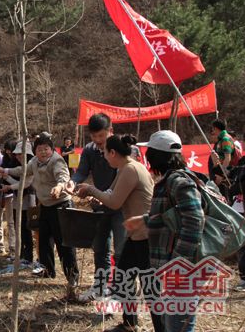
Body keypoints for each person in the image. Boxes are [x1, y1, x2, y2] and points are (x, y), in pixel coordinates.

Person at [76, 135, 164, 332]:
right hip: (135, 234)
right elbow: (110, 193)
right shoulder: (125, 167)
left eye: (105, 153)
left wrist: (91, 190)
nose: (105, 157)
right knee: (123, 277)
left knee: (150, 287)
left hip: (145, 235)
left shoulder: (131, 169)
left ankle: (161, 327)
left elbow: (114, 202)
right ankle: (129, 324)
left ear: (113, 153)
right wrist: (98, 197)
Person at [125, 130, 204, 332]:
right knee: (173, 324)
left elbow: (194, 220)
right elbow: (172, 217)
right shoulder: (169, 181)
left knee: (178, 326)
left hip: (182, 270)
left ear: (155, 156)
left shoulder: (179, 181)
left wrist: (179, 263)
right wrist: (144, 221)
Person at [1, 134, 79, 291]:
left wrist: (59, 187)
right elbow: (23, 171)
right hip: (45, 206)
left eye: (46, 149)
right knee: (43, 242)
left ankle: (72, 277)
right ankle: (48, 270)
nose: (43, 152)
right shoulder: (34, 162)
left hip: (61, 205)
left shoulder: (57, 161)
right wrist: (5, 170)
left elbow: (63, 177)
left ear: (52, 149)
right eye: (40, 149)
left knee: (63, 243)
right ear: (35, 151)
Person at [67, 113, 125, 302]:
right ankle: (100, 287)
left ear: (111, 131)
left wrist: (106, 193)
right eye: (94, 136)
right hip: (99, 206)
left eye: (102, 136)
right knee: (100, 248)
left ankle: (120, 290)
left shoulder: (123, 149)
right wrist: (71, 183)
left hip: (121, 207)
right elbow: (82, 172)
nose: (98, 141)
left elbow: (124, 177)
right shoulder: (90, 151)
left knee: (121, 249)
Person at [0, 140, 35, 263]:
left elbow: (24, 185)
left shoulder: (31, 164)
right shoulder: (21, 165)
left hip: (28, 199)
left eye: (21, 154)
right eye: (17, 154)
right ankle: (22, 255)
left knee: (26, 228)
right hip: (18, 199)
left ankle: (28, 257)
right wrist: (6, 175)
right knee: (19, 228)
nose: (18, 156)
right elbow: (16, 175)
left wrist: (8, 183)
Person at [229, 128, 245, 291]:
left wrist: (235, 188)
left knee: (243, 241)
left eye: (243, 140)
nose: (241, 143)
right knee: (243, 242)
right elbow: (234, 175)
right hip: (243, 207)